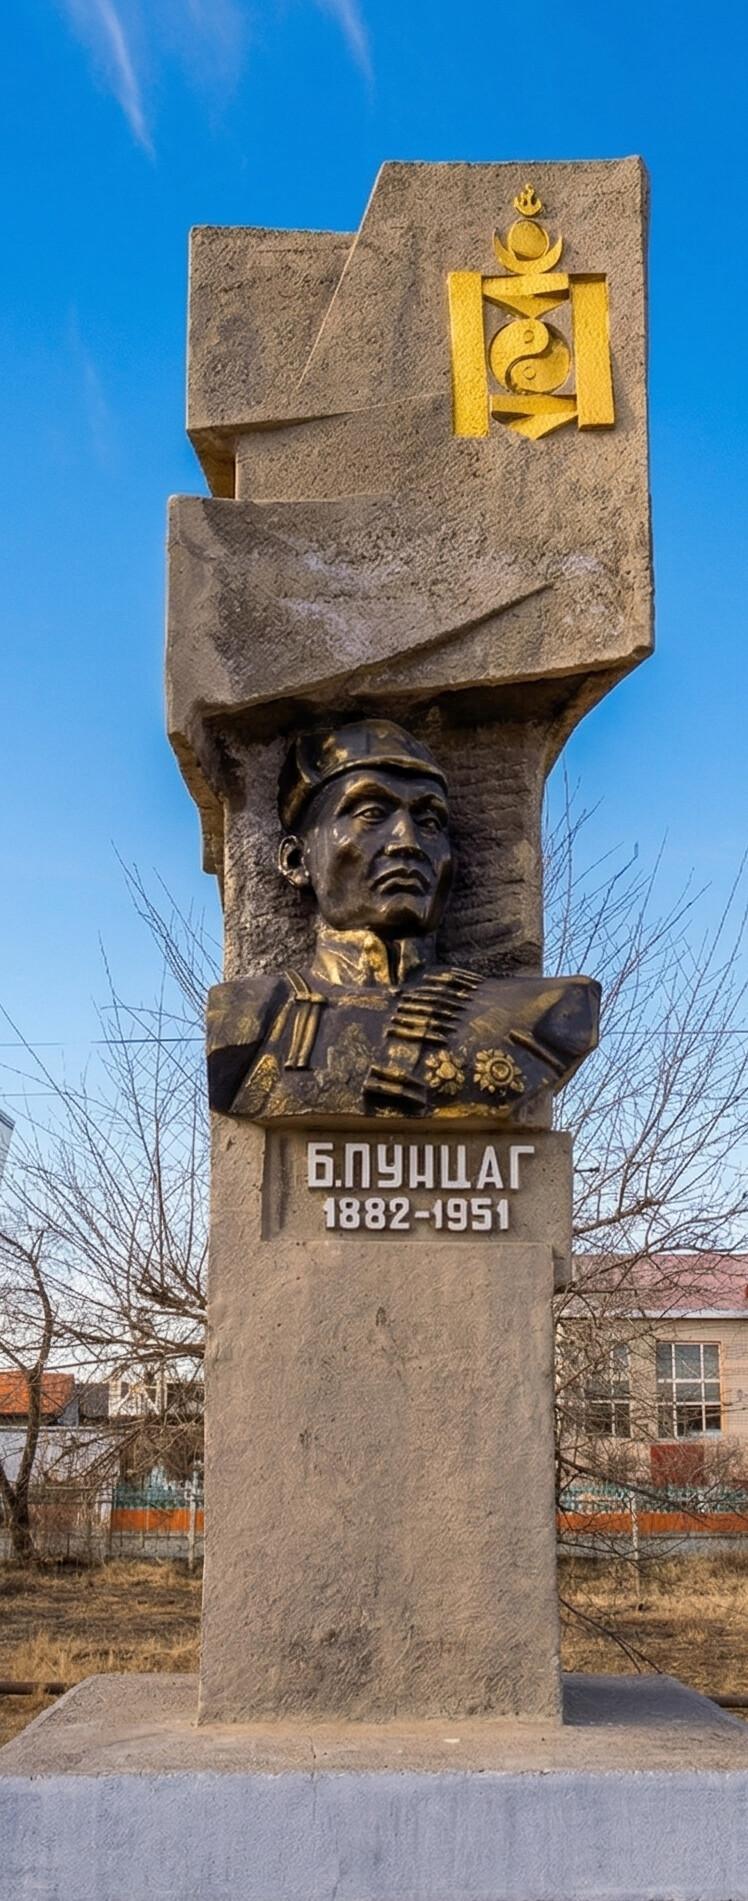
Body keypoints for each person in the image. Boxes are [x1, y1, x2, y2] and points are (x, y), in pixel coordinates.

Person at [207, 718, 599, 1120]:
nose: (407, 842)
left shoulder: (542, 1013)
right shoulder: (248, 1017)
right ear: (295, 860)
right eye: (372, 813)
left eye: (429, 821)